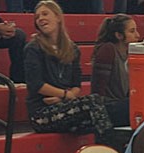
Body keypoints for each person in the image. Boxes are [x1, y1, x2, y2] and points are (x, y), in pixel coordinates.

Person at [24, 1, 112, 137]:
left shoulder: (72, 49)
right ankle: (109, 145)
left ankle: (105, 147)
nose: (40, 19)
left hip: (65, 104)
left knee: (95, 117)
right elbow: (37, 85)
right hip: (41, 113)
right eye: (37, 17)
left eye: (45, 14)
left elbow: (76, 85)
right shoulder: (33, 48)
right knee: (93, 103)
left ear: (58, 17)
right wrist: (66, 95)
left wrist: (63, 98)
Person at [91, 14, 140, 128]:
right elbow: (98, 92)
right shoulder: (108, 50)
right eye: (132, 31)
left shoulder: (129, 54)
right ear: (119, 35)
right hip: (108, 107)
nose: (137, 35)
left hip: (121, 104)